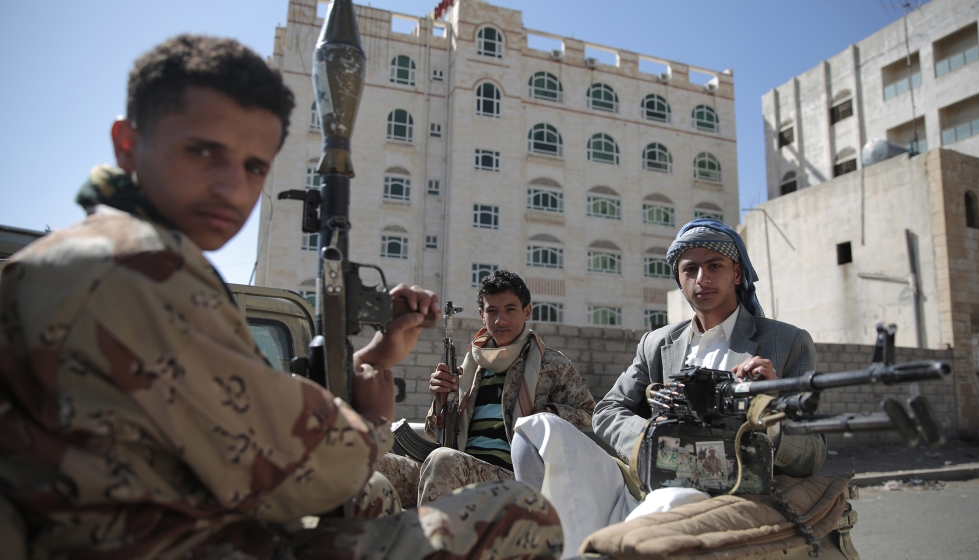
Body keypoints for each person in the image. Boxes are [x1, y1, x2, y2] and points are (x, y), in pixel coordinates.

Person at [0, 35, 562, 560]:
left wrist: (371, 361)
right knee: (523, 515)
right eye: (202, 152)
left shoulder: (64, 261)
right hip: (183, 538)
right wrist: (372, 414)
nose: (232, 187)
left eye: (253, 167)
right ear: (128, 143)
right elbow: (312, 469)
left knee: (384, 491)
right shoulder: (142, 270)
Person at [511, 218, 826, 556]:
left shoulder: (785, 342)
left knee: (672, 498)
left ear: (737, 273)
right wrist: (654, 442)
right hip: (646, 473)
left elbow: (814, 453)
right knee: (534, 429)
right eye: (690, 270)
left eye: (714, 266)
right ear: (679, 279)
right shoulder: (658, 344)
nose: (702, 279)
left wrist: (768, 412)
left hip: (720, 491)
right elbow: (607, 410)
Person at [378, 270, 596, 507]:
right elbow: (434, 435)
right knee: (374, 465)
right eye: (492, 311)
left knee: (444, 460)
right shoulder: (471, 366)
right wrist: (440, 400)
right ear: (482, 315)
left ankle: (429, 544)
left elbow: (590, 417)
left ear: (527, 312)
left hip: (512, 480)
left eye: (510, 310)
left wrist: (542, 419)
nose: (500, 320)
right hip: (454, 467)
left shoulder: (553, 365)